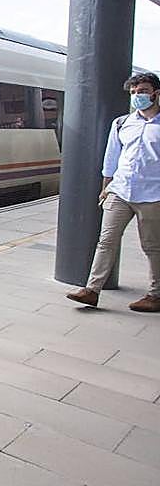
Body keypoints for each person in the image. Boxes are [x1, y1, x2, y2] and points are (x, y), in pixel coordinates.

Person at [68, 71, 160, 313]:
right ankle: (91, 290)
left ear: (156, 93)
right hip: (120, 190)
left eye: (142, 92)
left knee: (152, 246)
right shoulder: (122, 123)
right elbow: (112, 158)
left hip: (153, 194)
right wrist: (105, 188)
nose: (137, 97)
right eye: (133, 93)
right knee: (106, 241)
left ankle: (155, 294)